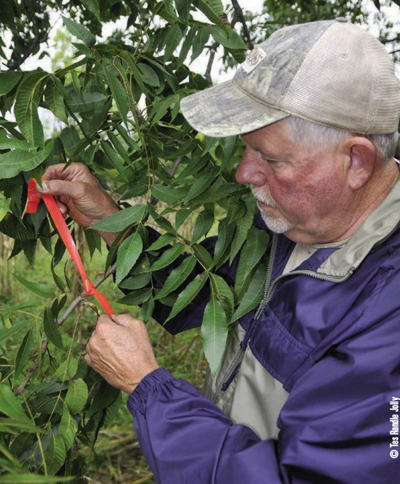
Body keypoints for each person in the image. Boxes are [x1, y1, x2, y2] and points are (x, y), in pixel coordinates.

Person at [36, 19, 400, 483]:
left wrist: (148, 387)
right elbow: (201, 292)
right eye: (245, 151)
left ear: (355, 161)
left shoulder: (388, 321)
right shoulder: (292, 224)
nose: (243, 174)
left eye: (269, 158)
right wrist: (110, 220)